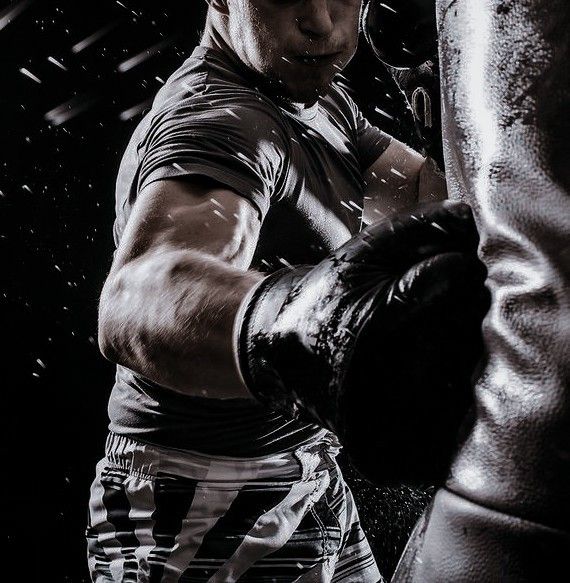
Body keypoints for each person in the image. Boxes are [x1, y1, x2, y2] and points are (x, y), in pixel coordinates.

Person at [86, 1, 486, 581]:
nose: (322, 21)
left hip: (304, 472)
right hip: (199, 499)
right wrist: (299, 324)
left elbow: (426, 199)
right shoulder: (220, 120)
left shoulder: (317, 99)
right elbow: (137, 297)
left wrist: (453, 89)